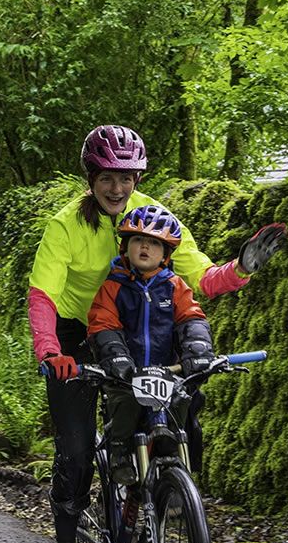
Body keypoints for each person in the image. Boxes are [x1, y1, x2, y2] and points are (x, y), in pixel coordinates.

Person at [29, 124, 285, 543]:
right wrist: (50, 350)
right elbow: (43, 293)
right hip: (73, 334)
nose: (117, 188)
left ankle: (162, 490)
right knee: (78, 448)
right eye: (106, 177)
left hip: (139, 334)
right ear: (90, 176)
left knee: (184, 411)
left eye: (126, 178)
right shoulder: (67, 224)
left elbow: (201, 281)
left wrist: (243, 268)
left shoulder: (156, 218)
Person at [86, 206, 213, 489]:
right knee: (125, 402)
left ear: (166, 253)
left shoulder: (175, 286)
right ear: (125, 246)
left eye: (154, 242)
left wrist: (198, 349)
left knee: (183, 400)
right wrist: (115, 356)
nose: (145, 246)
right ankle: (119, 453)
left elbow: (192, 318)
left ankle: (174, 479)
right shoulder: (112, 287)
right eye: (138, 240)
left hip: (169, 370)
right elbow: (103, 324)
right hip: (126, 374)